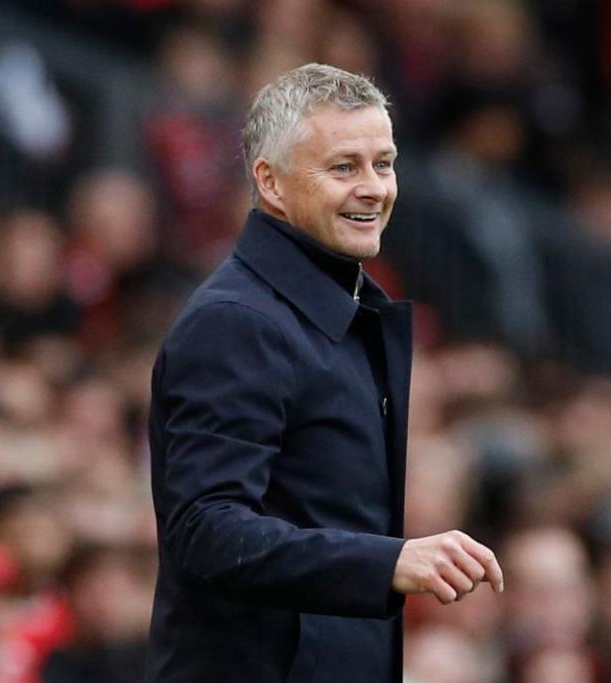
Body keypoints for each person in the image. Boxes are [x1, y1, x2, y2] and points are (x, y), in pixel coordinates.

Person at [145, 63, 504, 682]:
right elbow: (205, 529)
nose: (374, 188)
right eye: (344, 167)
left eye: (384, 164)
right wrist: (387, 562)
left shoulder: (343, 308)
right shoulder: (237, 322)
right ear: (272, 183)